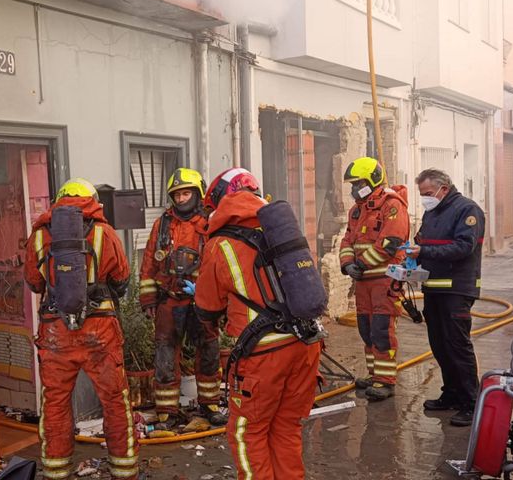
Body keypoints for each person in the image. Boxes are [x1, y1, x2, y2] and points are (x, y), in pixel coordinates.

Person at [195, 168, 322, 480]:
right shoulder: (280, 230)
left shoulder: (220, 243)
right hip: (305, 343)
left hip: (263, 355)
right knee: (285, 427)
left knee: (246, 433)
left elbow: (207, 309)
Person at [23, 178, 137, 480]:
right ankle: (124, 470)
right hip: (100, 330)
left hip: (55, 332)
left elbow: (34, 283)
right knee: (114, 400)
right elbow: (121, 281)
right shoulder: (105, 233)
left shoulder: (38, 236)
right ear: (93, 200)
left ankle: (57, 471)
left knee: (56, 401)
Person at [139, 168, 225, 426]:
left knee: (208, 352)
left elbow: (220, 261)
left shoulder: (211, 222)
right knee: (165, 355)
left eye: (186, 193)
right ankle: (167, 411)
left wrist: (218, 299)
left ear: (198, 194)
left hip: (202, 301)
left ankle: (210, 405)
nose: (181, 199)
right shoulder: (162, 224)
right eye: (176, 195)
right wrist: (148, 299)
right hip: (170, 299)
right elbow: (149, 264)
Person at [407, 169, 485, 427]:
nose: (425, 199)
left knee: (457, 346)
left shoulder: (467, 210)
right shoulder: (433, 212)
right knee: (439, 345)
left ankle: (471, 403)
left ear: (444, 188)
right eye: (422, 195)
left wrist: (425, 250)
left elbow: (464, 246)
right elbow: (422, 239)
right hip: (434, 288)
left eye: (428, 194)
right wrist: (412, 253)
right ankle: (451, 394)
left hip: (457, 290)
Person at [339, 157, 410, 401]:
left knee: (382, 330)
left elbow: (390, 243)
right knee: (366, 330)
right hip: (362, 282)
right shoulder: (357, 210)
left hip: (384, 280)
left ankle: (386, 381)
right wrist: (347, 264)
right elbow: (347, 240)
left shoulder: (392, 206)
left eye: (357, 183)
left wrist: (361, 263)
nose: (353, 189)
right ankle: (374, 375)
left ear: (372, 181)